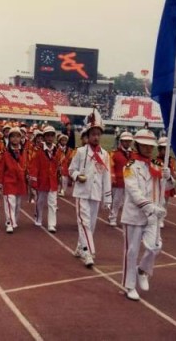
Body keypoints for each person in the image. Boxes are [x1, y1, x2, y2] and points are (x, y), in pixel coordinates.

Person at [121, 128, 172, 301]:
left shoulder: (157, 167)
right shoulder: (130, 167)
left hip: (153, 216)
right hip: (135, 215)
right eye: (145, 146)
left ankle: (142, 270)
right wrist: (150, 206)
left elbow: (169, 188)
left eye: (152, 146)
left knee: (155, 246)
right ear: (138, 145)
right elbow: (133, 192)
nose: (149, 149)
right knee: (132, 251)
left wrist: (169, 177)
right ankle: (129, 286)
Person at [68, 115, 112, 268]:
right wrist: (76, 176)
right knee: (84, 222)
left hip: (96, 193)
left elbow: (106, 176)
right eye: (93, 134)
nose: (96, 137)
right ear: (87, 136)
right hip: (81, 193)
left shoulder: (105, 155)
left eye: (98, 134)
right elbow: (71, 169)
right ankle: (88, 252)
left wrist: (108, 198)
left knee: (91, 225)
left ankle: (81, 247)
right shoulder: (80, 152)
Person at [28, 126, 62, 233]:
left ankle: (52, 224)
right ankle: (38, 218)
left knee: (52, 203)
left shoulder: (58, 150)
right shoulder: (38, 150)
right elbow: (34, 166)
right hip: (42, 180)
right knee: (40, 201)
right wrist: (33, 179)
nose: (50, 138)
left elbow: (60, 163)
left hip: (53, 181)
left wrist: (60, 172)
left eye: (52, 136)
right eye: (47, 136)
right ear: (44, 137)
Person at [0, 127, 28, 233]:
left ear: (20, 138)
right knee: (10, 202)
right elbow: (1, 168)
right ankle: (9, 222)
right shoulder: (5, 152)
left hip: (20, 181)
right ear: (9, 138)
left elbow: (26, 165)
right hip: (8, 180)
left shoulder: (24, 151)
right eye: (12, 136)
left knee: (18, 204)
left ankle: (14, 220)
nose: (15, 139)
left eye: (17, 136)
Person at [109, 131, 133, 227]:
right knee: (116, 201)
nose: (127, 143)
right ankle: (112, 217)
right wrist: (112, 178)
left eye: (129, 141)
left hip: (130, 182)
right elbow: (111, 166)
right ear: (121, 142)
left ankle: (125, 219)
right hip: (118, 181)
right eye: (125, 141)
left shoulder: (134, 154)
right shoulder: (114, 154)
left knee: (127, 202)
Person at [155, 137, 176, 229]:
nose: (166, 151)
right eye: (164, 148)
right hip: (158, 185)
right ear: (159, 149)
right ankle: (156, 218)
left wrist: (170, 169)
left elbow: (175, 175)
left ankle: (161, 219)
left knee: (165, 203)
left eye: (168, 148)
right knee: (158, 202)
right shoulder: (155, 160)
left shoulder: (172, 161)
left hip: (167, 185)